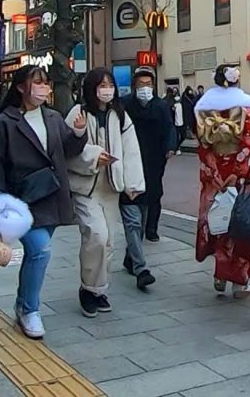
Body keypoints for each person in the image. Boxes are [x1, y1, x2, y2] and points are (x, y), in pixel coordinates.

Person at [0, 65, 88, 338]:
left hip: (51, 195)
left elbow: (67, 150)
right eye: (37, 82)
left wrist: (80, 134)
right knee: (40, 250)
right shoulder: (5, 122)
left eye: (45, 83)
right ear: (21, 87)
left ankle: (23, 302)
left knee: (37, 254)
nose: (43, 88)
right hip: (22, 198)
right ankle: (30, 308)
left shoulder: (53, 117)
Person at [64, 68, 145, 317]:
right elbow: (66, 150)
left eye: (110, 84)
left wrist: (133, 184)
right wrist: (92, 156)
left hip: (110, 187)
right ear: (91, 87)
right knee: (96, 235)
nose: (107, 89)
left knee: (108, 241)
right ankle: (88, 289)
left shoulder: (119, 115)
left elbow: (131, 150)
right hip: (85, 188)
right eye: (101, 84)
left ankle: (96, 289)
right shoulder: (78, 113)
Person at [193, 65, 250, 299]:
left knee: (218, 223)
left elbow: (203, 147)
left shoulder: (203, 108)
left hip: (214, 176)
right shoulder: (248, 106)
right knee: (242, 226)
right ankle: (239, 282)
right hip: (240, 176)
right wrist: (239, 173)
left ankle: (219, 274)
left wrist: (215, 174)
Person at [120, 66, 176, 288]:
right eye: (141, 85)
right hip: (130, 164)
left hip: (153, 164)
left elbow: (170, 129)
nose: (145, 89)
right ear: (134, 86)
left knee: (145, 211)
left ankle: (131, 256)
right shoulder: (124, 105)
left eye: (148, 84)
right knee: (133, 218)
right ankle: (140, 267)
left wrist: (170, 147)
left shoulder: (161, 106)